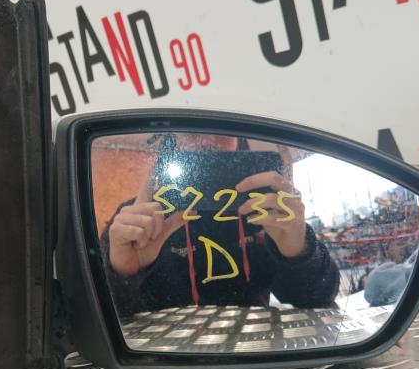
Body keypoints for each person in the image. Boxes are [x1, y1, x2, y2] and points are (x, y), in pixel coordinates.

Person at [99, 133, 340, 317]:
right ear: (173, 141)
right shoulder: (139, 220)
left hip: (255, 349)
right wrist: (122, 273)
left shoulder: (267, 210)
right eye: (192, 132)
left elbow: (318, 300)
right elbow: (103, 316)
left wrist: (298, 251)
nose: (209, 141)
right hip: (165, 358)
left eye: (222, 131)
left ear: (238, 140)